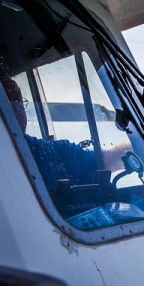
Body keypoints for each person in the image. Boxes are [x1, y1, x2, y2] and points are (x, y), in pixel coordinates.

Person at [1, 62, 130, 190]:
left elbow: (106, 160)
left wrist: (136, 143)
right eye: (11, 104)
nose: (18, 111)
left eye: (20, 103)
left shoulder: (43, 150)